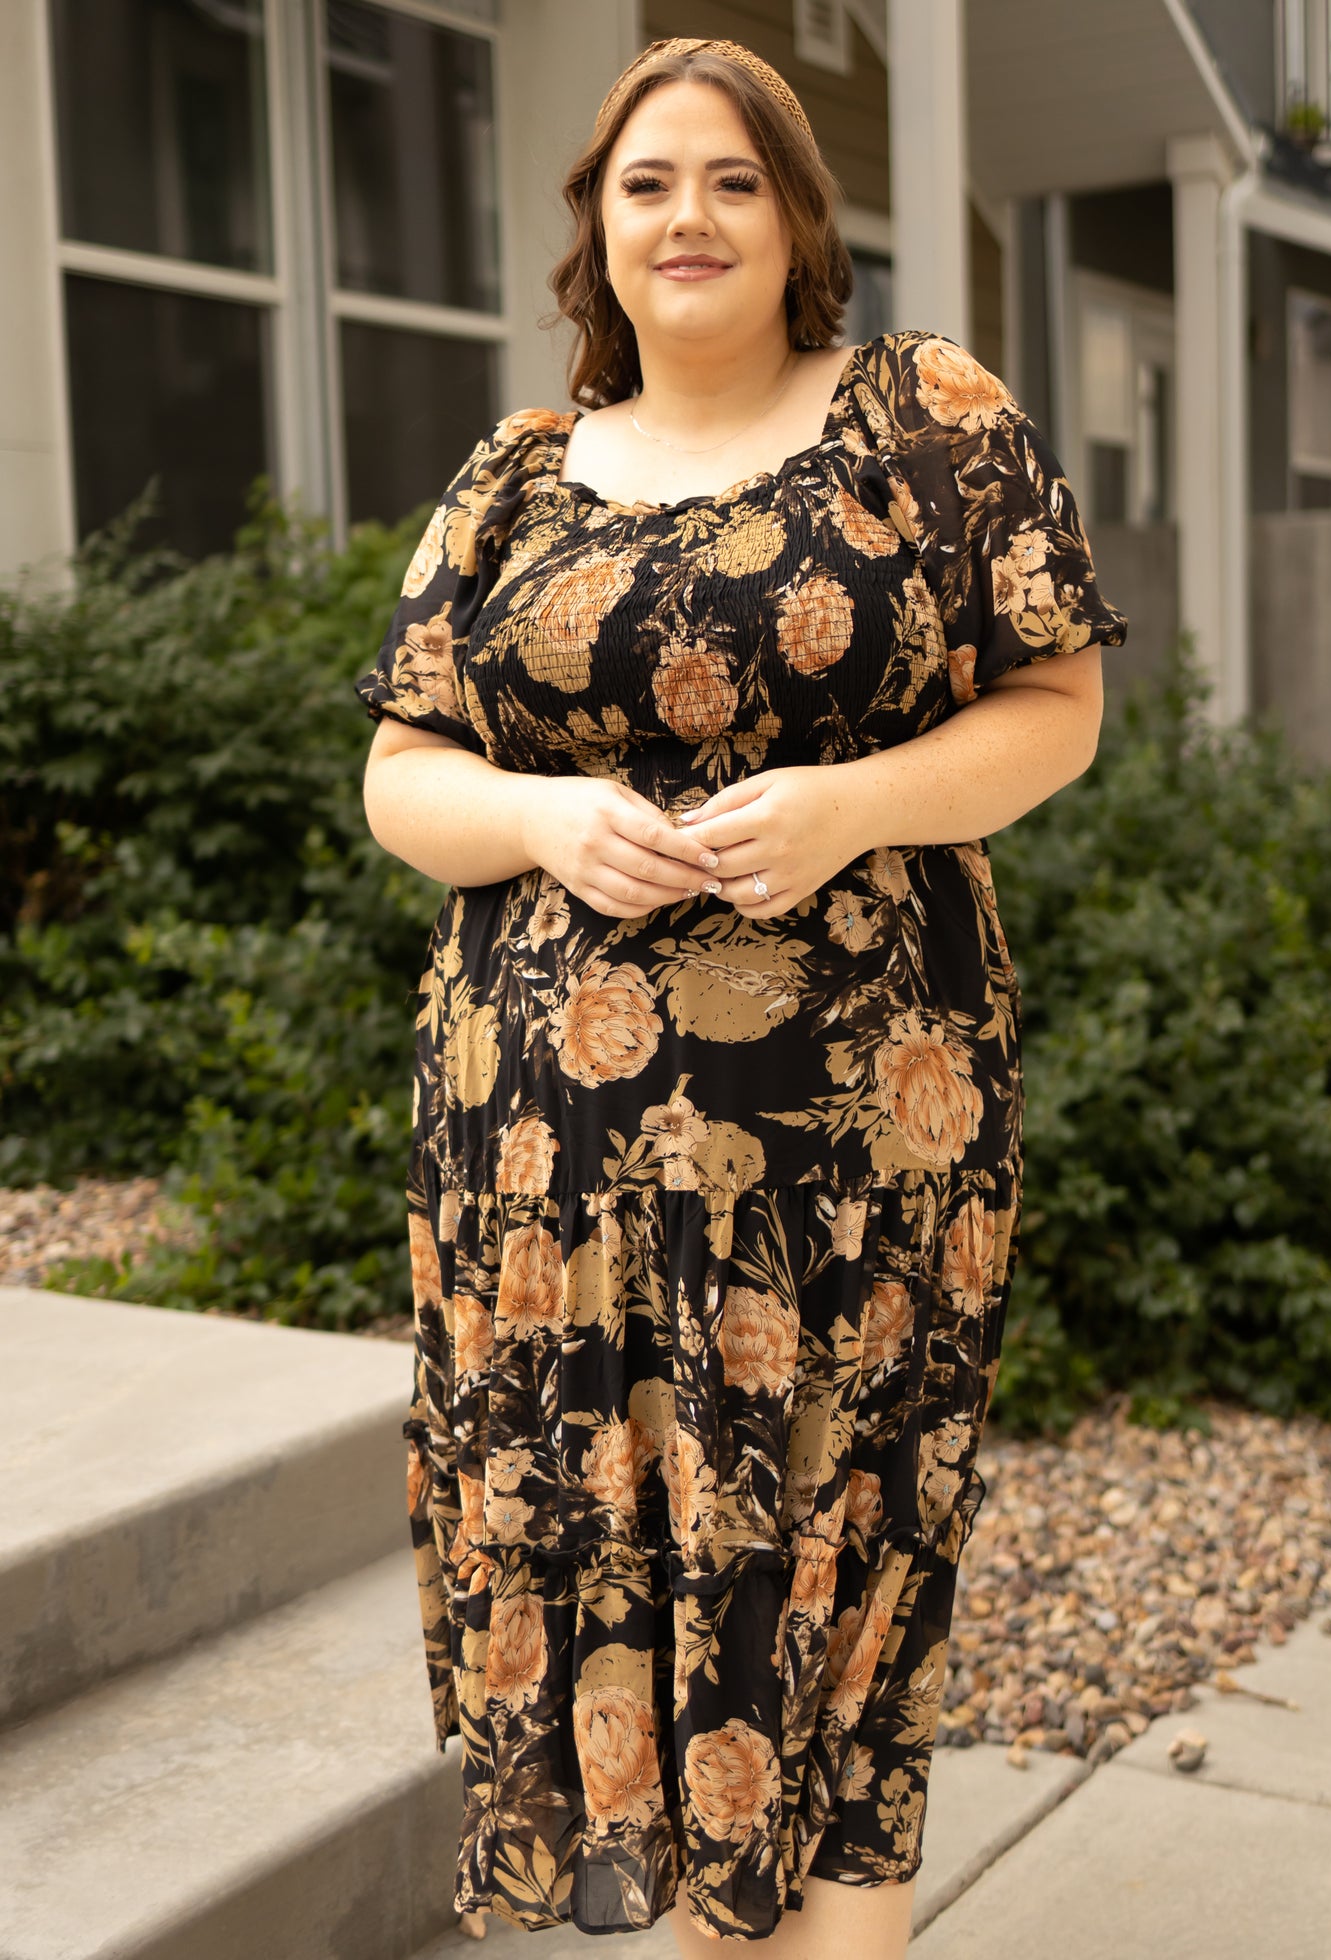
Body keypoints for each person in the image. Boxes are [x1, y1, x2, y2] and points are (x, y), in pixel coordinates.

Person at [354, 34, 1127, 1958]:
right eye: (643, 183)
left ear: (798, 220)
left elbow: (1060, 708)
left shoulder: (925, 418)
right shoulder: (513, 476)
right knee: (609, 1567)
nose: (685, 216)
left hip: (856, 1149)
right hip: (552, 1177)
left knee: (824, 1580)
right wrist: (535, 814)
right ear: (595, 238)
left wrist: (859, 804)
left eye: (729, 180)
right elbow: (401, 779)